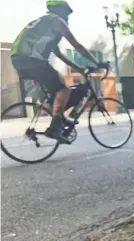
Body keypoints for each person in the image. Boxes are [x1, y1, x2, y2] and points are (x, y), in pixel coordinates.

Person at [10, 0, 106, 143]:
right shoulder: (57, 21)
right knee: (63, 89)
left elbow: (59, 55)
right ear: (61, 10)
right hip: (32, 59)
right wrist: (97, 63)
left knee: (57, 85)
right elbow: (77, 46)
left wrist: (79, 69)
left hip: (20, 59)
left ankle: (59, 116)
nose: (67, 17)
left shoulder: (45, 25)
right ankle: (54, 129)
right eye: (67, 13)